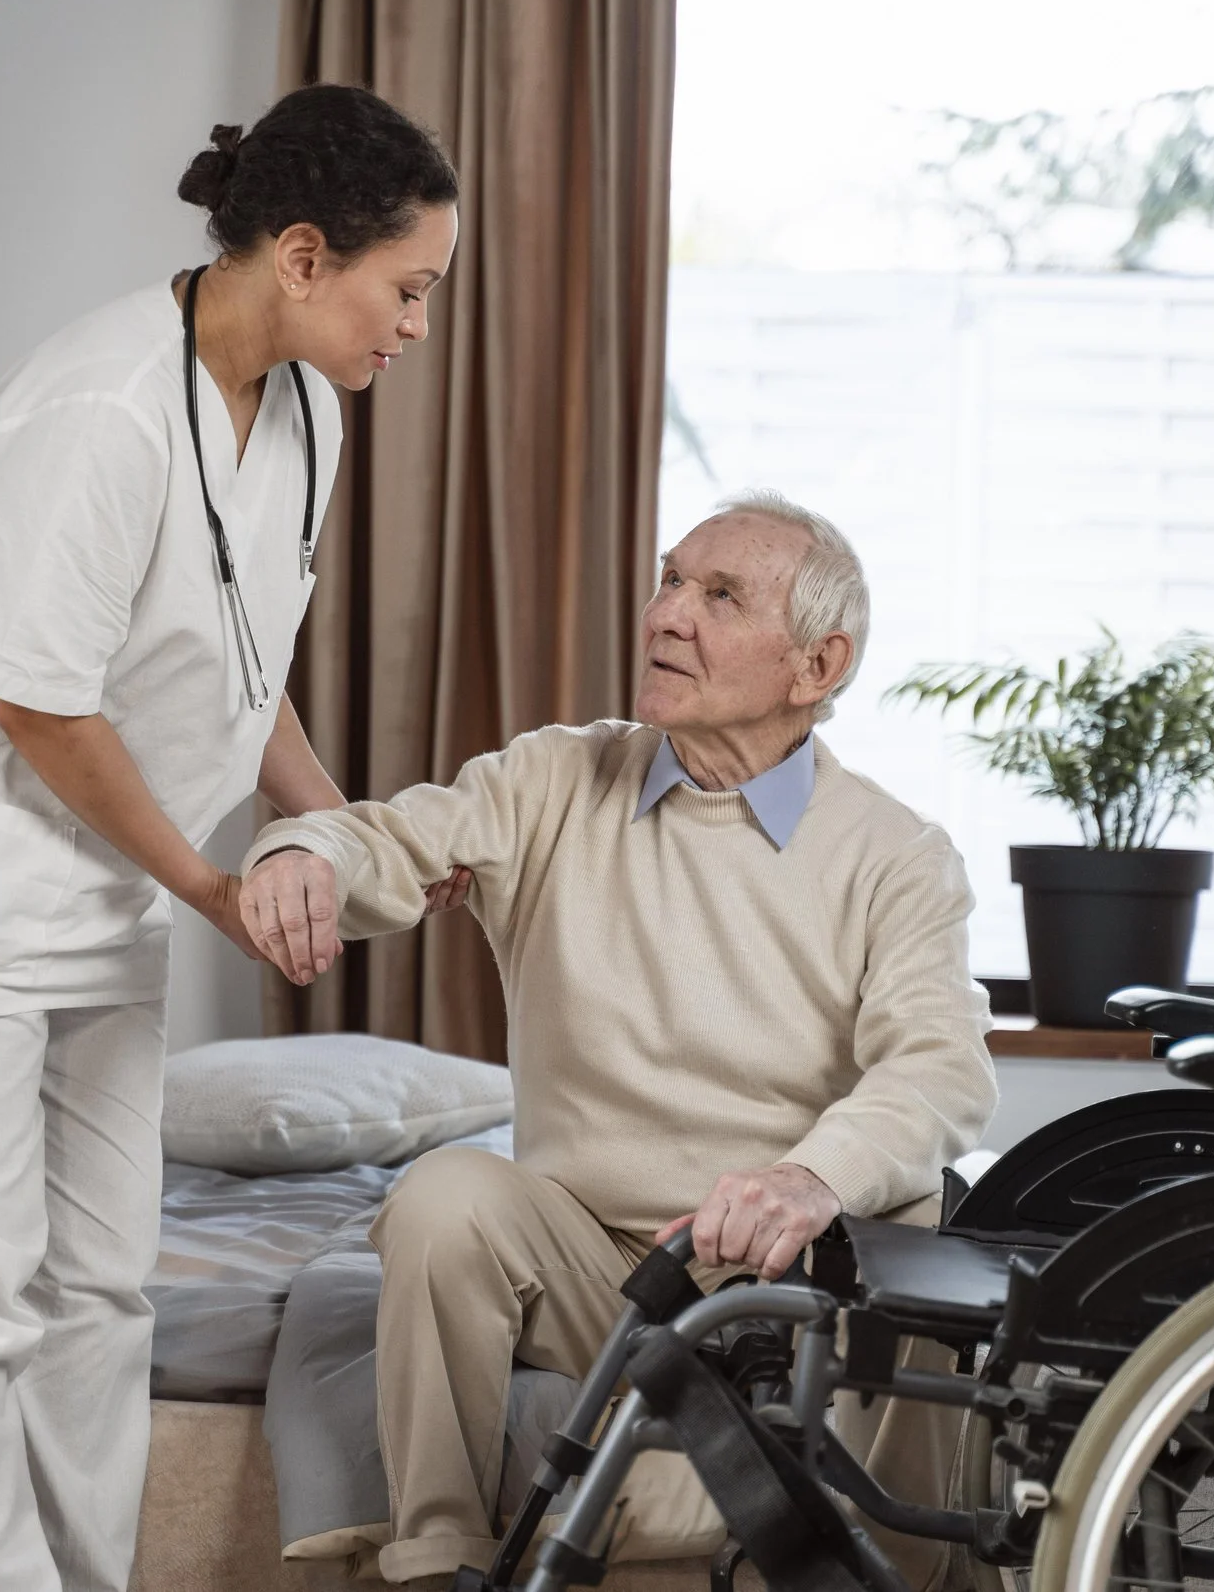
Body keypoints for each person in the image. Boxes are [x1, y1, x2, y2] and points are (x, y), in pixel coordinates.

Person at [0, 84, 462, 1592]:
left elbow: (242, 656)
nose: (417, 325)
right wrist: (216, 886)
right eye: (405, 288)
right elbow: (40, 704)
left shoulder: (305, 412)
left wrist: (346, 829)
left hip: (105, 889)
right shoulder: (93, 410)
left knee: (102, 1284)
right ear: (301, 256)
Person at [239, 492, 998, 1585]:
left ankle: (906, 1569)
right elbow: (392, 841)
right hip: (590, 1261)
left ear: (815, 666)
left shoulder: (895, 855)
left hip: (783, 1274)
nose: (666, 615)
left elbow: (939, 1069)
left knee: (923, 1200)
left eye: (719, 595)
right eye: (668, 579)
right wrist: (301, 854)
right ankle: (437, 1556)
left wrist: (805, 1179)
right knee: (444, 1195)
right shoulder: (554, 778)